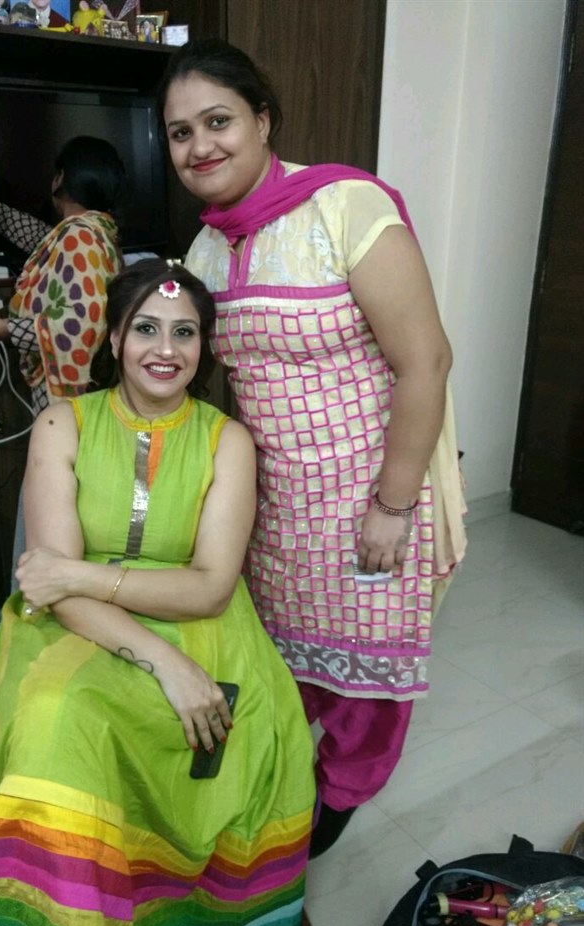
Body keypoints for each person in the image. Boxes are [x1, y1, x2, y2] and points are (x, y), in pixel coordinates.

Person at [0, 259, 315, 926]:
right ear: (116, 339)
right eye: (146, 329)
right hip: (77, 622)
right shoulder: (62, 422)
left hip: (198, 619)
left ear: (204, 346)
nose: (166, 349)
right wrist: (165, 662)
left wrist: (79, 573)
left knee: (246, 732)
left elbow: (210, 588)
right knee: (58, 714)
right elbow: (53, 589)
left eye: (185, 333)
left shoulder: (226, 440)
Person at [158, 39, 468, 860]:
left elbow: (426, 361)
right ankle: (281, 787)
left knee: (366, 681)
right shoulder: (206, 251)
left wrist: (393, 505)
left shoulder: (345, 207)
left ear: (262, 121)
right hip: (277, 507)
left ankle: (334, 805)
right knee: (283, 663)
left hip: (372, 492)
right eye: (181, 133)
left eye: (218, 121)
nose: (200, 146)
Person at [0, 135, 126, 414]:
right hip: (86, 389)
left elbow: (81, 324)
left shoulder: (80, 237)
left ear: (60, 178)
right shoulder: (93, 231)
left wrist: (6, 329)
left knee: (58, 443)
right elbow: (45, 240)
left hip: (70, 396)